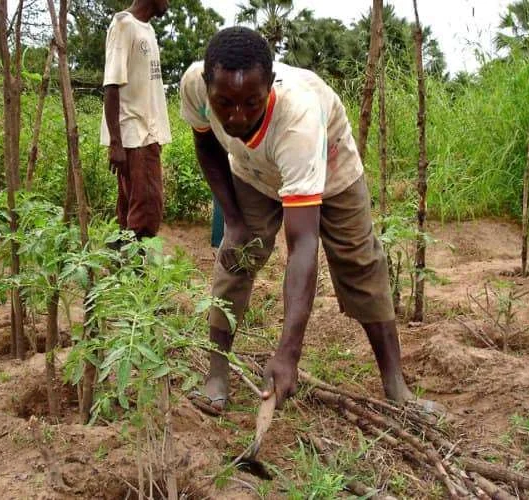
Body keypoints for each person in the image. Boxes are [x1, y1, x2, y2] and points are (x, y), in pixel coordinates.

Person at [180, 27, 441, 414]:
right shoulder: (195, 84)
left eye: (252, 103)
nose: (237, 116)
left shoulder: (298, 117)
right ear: (207, 88)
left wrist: (288, 353)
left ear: (271, 85)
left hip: (331, 171)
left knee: (360, 263)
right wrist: (233, 218)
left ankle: (396, 386)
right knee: (237, 253)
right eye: (225, 104)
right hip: (253, 171)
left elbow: (303, 243)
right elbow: (205, 144)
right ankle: (216, 375)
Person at [101, 0, 171, 240]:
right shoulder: (123, 25)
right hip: (134, 135)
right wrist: (115, 142)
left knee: (132, 207)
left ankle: (123, 270)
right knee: (146, 212)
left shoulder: (148, 30)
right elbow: (111, 85)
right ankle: (134, 272)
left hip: (148, 134)